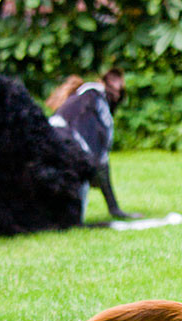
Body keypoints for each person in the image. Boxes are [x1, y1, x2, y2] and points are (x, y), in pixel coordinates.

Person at [46, 68, 141, 221]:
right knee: (73, 220)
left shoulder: (76, 99)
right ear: (116, 95)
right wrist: (114, 208)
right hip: (67, 159)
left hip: (47, 155)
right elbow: (101, 164)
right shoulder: (99, 105)